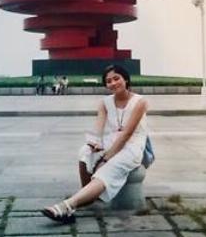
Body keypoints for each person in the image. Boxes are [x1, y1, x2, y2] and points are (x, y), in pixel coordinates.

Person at [41, 64, 150, 223]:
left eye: (116, 78)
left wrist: (106, 158)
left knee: (108, 168)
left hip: (132, 145)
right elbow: (98, 127)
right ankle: (87, 196)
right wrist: (95, 143)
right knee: (85, 152)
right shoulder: (105, 102)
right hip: (112, 140)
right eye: (108, 81)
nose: (113, 83)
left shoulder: (140, 102)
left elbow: (127, 134)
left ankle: (68, 205)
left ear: (125, 79)